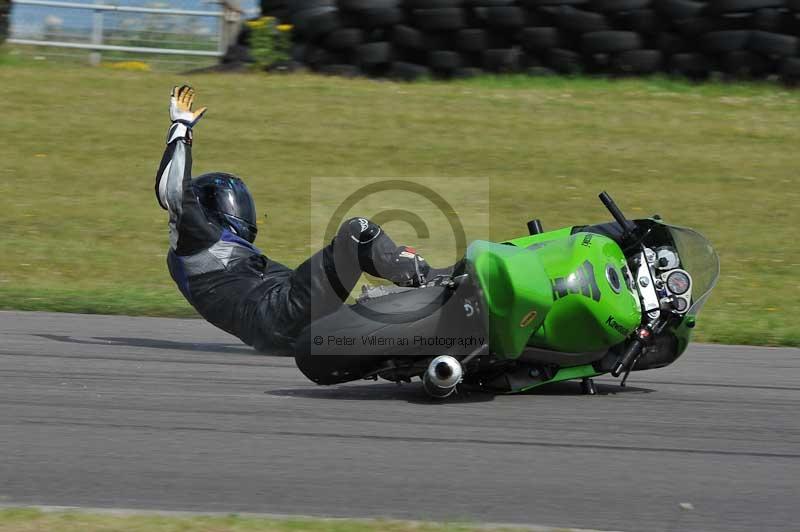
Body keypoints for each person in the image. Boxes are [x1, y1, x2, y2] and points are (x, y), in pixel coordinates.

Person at [155, 85, 446, 352]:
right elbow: (174, 194)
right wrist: (181, 129)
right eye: (232, 200)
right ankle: (432, 281)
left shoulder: (225, 258)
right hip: (276, 310)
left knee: (374, 303)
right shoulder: (195, 243)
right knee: (357, 233)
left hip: (280, 325)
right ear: (211, 208)